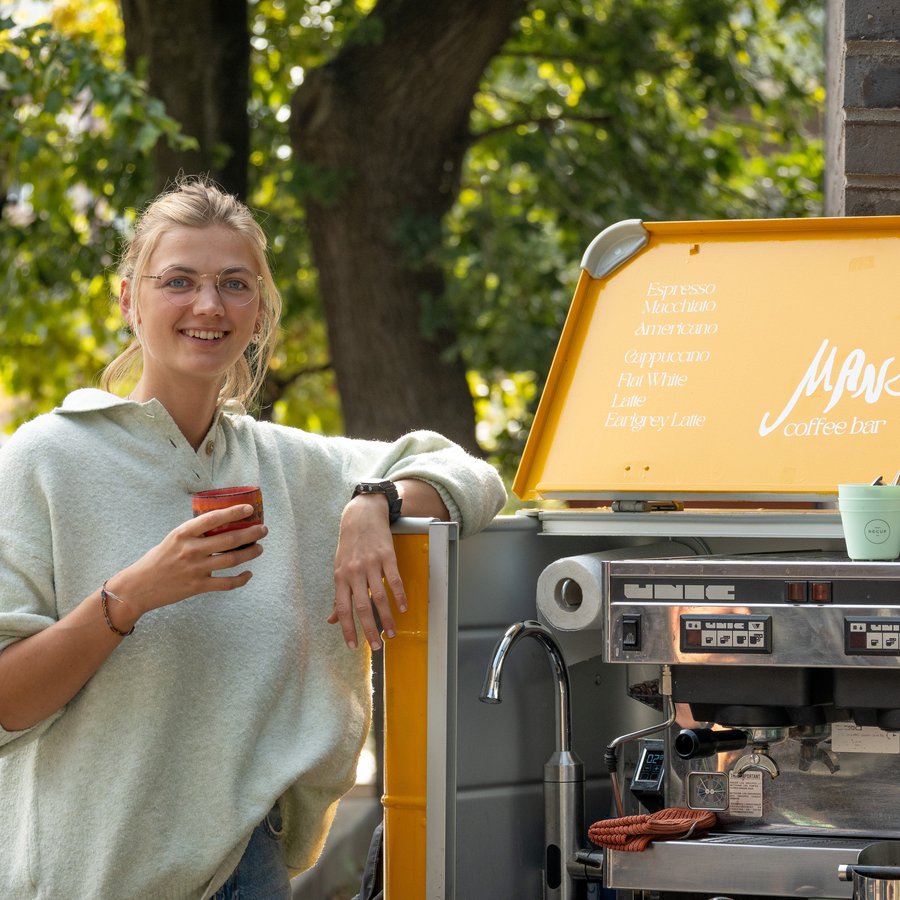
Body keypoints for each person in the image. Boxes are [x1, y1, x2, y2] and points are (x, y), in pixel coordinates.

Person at [0, 176, 506, 899]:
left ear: (260, 310)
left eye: (235, 284)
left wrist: (374, 502)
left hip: (247, 868)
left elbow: (470, 474)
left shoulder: (292, 467)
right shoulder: (43, 458)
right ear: (127, 300)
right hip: (88, 876)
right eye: (178, 280)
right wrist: (134, 594)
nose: (209, 305)